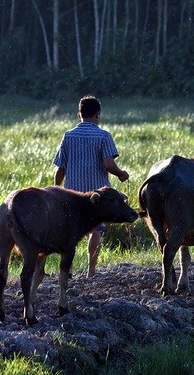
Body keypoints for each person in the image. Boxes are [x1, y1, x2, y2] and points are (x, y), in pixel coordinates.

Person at [53, 95, 130, 278]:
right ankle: (91, 271)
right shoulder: (104, 136)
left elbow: (60, 167)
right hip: (98, 195)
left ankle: (68, 270)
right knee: (95, 231)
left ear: (79, 114)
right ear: (97, 115)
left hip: (73, 195)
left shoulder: (68, 136)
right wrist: (121, 174)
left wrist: (56, 189)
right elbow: (109, 164)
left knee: (70, 232)